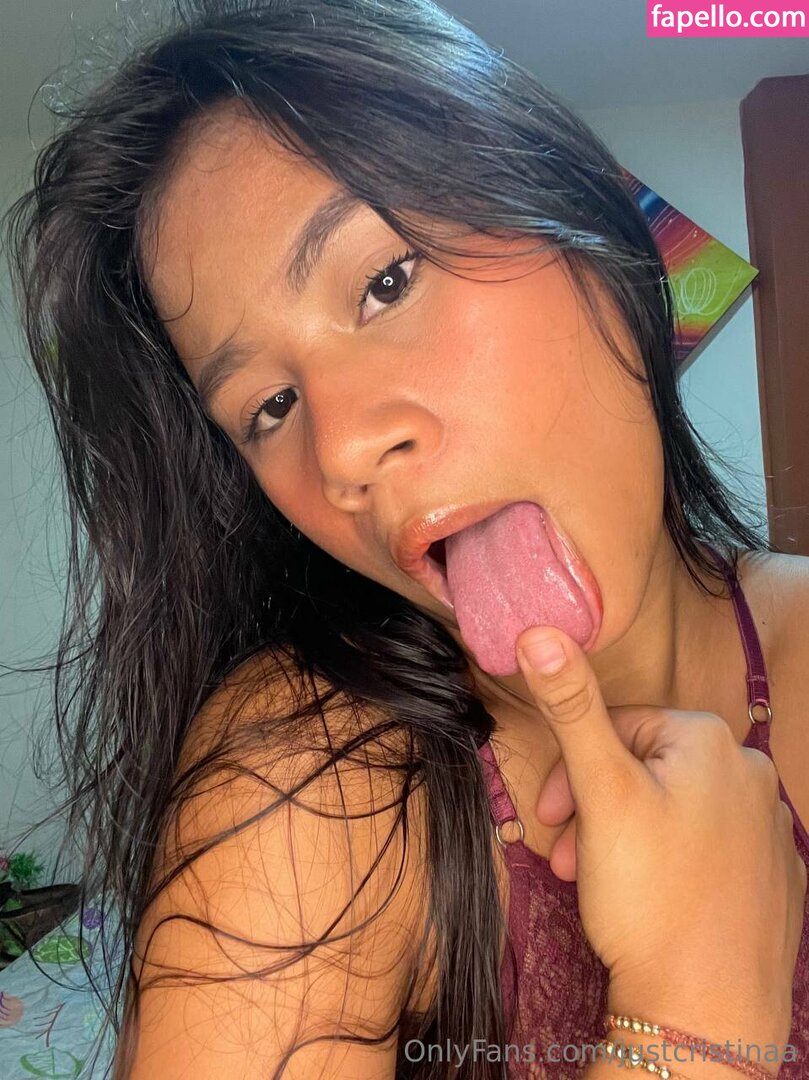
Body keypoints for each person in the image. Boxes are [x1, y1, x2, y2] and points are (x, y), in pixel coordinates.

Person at [2, 1, 807, 1077]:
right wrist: (694, 1012)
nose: (340, 449)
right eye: (269, 408)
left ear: (585, 229)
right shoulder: (302, 781)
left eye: (385, 282)